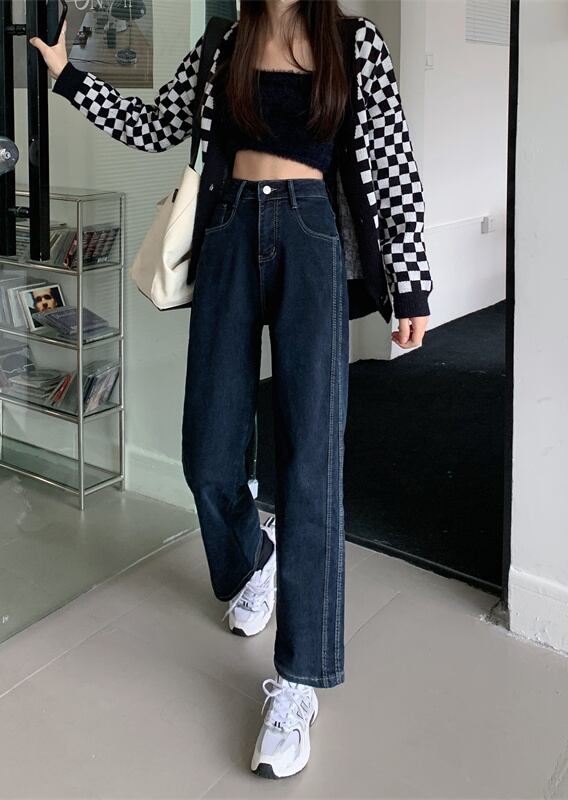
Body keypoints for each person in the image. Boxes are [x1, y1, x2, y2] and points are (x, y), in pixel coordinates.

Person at [31, 0, 431, 779]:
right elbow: (155, 125)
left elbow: (393, 166)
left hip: (312, 238)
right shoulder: (224, 42)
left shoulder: (354, 44)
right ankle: (255, 557)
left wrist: (409, 287)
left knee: (311, 463)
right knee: (209, 451)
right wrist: (67, 77)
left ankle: (299, 682)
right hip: (227, 232)